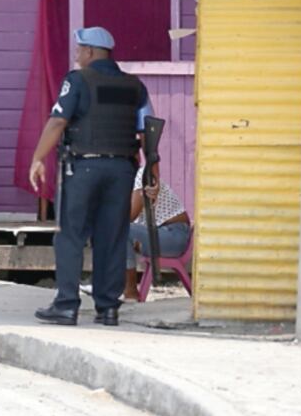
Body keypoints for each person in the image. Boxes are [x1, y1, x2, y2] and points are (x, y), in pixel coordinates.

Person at [28, 26, 154, 327]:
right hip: (122, 169)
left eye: (79, 49)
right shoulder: (134, 86)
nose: (77, 55)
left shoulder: (78, 80)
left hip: (83, 168)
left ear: (89, 52)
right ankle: (108, 308)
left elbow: (59, 120)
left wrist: (37, 157)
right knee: (111, 237)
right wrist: (153, 170)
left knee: (71, 235)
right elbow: (148, 128)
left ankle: (66, 305)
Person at [123, 169, 191, 301]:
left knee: (122, 231)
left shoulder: (142, 174)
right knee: (115, 233)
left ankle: (130, 292)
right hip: (158, 233)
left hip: (173, 235)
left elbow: (130, 215)